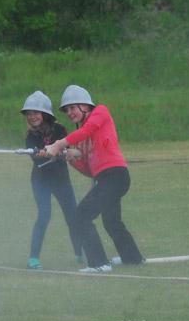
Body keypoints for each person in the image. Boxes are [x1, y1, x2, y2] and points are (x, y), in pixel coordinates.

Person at [44, 85, 144, 273]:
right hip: (104, 179)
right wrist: (68, 156)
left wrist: (59, 144)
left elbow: (88, 129)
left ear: (85, 106)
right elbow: (90, 171)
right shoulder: (81, 137)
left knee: (81, 215)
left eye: (73, 108)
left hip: (116, 176)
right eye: (66, 110)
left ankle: (99, 263)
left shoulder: (100, 112)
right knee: (111, 221)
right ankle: (133, 258)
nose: (69, 113)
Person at [20, 90, 82, 270]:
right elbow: (35, 158)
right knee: (44, 214)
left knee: (72, 216)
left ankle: (79, 253)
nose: (32, 117)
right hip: (40, 181)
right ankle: (33, 258)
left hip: (61, 180)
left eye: (35, 112)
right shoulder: (30, 136)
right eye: (29, 113)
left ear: (45, 114)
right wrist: (41, 154)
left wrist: (59, 152)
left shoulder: (60, 130)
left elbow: (67, 149)